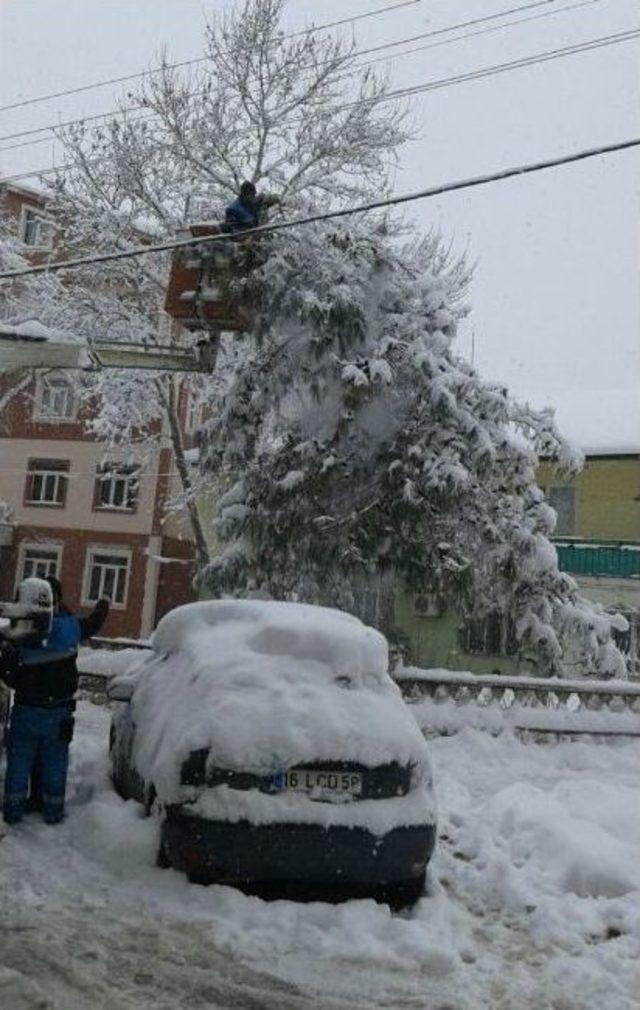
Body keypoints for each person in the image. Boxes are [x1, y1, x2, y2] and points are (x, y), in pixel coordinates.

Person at [0, 577, 109, 826]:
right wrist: (102, 606)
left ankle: (13, 811)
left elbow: (7, 672)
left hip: (26, 710)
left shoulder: (18, 633)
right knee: (55, 762)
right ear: (56, 600)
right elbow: (92, 624)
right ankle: (53, 811)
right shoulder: (70, 628)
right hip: (58, 713)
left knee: (19, 761)